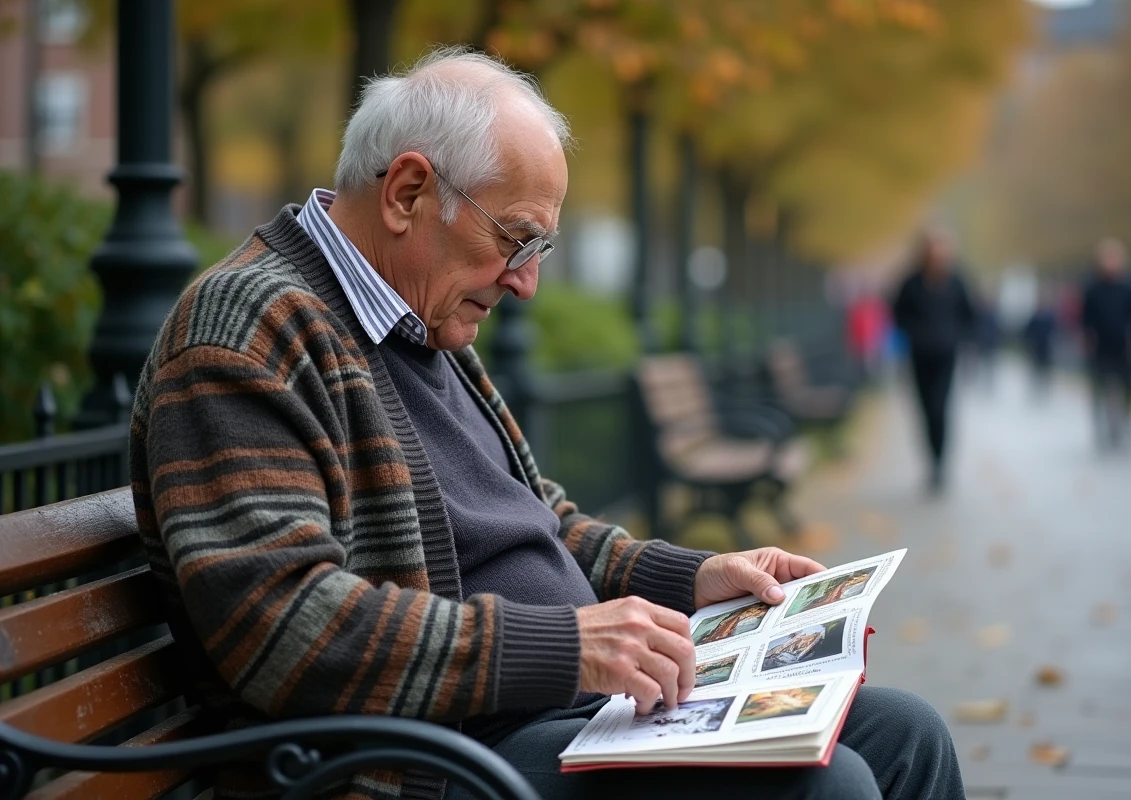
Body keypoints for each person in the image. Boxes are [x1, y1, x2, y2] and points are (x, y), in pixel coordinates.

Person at [129, 49, 962, 800]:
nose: (525, 283)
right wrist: (565, 647)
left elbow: (542, 526)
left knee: (905, 734)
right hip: (425, 764)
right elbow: (282, 625)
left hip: (540, 722)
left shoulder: (419, 322)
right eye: (516, 239)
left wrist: (691, 579)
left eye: (540, 249)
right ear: (408, 192)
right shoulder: (248, 328)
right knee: (833, 786)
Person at [891, 228, 976, 492]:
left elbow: (969, 314)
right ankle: (931, 462)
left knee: (940, 409)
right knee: (925, 411)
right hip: (919, 356)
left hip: (946, 356)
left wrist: (957, 337)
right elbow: (897, 313)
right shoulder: (911, 282)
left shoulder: (957, 281)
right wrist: (914, 334)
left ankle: (940, 465)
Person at [1081, 238, 1131, 450]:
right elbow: (1086, 318)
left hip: (1123, 345)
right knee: (1099, 386)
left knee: (1128, 386)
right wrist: (1088, 336)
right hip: (1101, 346)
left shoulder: (1129, 288)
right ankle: (1100, 424)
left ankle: (1125, 421)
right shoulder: (1092, 289)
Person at [1023, 294, 1057, 400]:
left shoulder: (1049, 318)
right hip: (1035, 349)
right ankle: (1035, 392)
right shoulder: (1034, 318)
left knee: (1045, 372)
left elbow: (1054, 332)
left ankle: (1044, 393)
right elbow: (1027, 333)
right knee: (1035, 371)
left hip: (1046, 348)